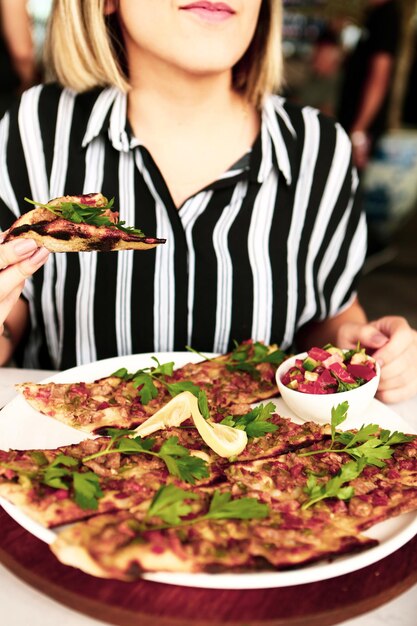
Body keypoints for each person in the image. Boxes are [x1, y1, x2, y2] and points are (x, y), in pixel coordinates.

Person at [0, 0, 416, 404]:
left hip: (261, 469)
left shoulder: (319, 149)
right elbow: (11, 326)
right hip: (60, 462)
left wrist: (362, 353)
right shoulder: (35, 128)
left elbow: (331, 318)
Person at [337, 0, 401, 172]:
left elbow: (380, 76)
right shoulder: (374, 15)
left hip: (361, 128)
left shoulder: (387, 16)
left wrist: (359, 131)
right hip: (352, 122)